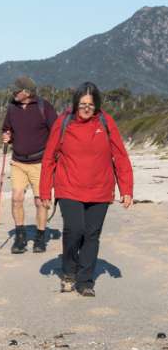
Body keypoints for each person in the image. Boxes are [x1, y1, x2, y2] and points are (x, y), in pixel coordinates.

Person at [39, 82, 134, 297]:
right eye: (82, 104)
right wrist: (45, 191)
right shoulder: (63, 122)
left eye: (90, 104)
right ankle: (69, 272)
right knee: (75, 229)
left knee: (92, 234)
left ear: (97, 105)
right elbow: (48, 158)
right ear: (75, 104)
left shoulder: (105, 121)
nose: (86, 108)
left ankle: (85, 281)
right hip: (69, 187)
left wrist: (126, 189)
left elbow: (120, 156)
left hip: (100, 189)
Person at [1, 76, 58, 254]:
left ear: (27, 92)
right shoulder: (12, 107)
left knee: (40, 201)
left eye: (16, 91)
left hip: (40, 163)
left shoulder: (44, 107)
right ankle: (20, 237)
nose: (13, 93)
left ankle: (40, 237)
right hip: (18, 161)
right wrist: (6, 136)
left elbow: (56, 132)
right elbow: (6, 128)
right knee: (16, 198)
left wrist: (54, 158)